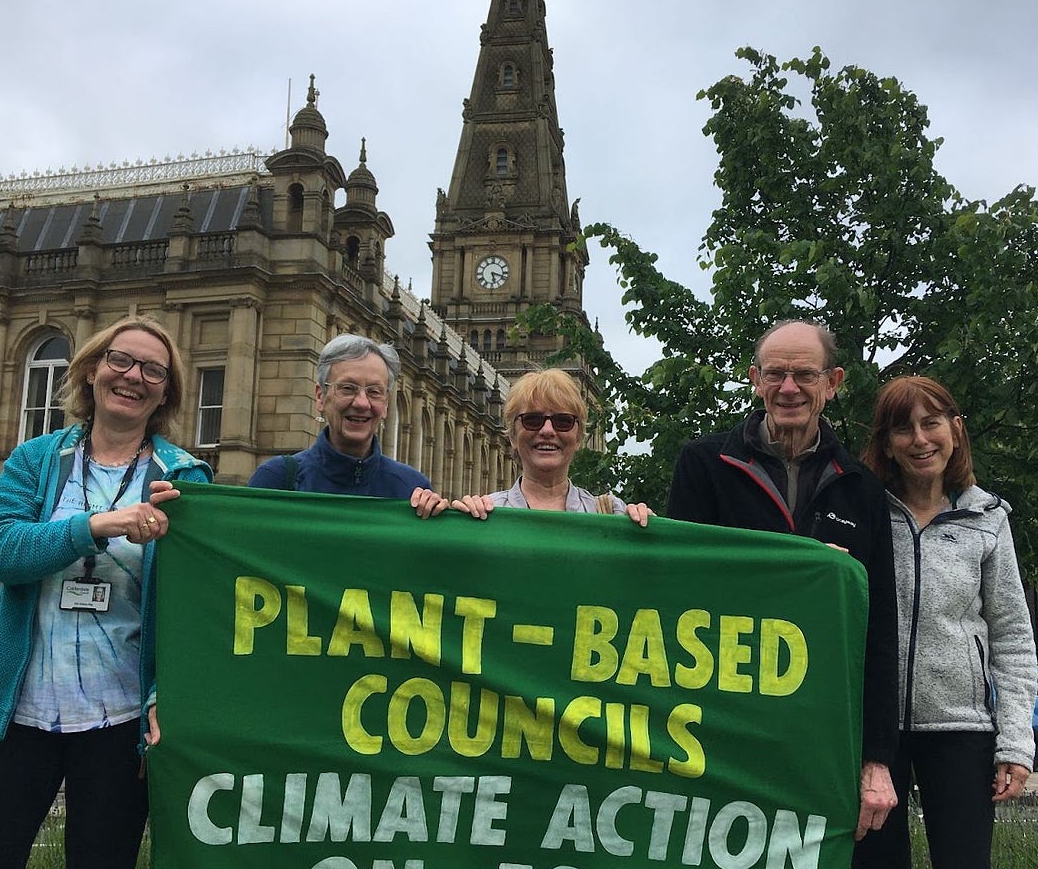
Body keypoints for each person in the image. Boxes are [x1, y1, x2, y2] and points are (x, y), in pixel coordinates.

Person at [0, 316, 211, 869]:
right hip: (13, 714)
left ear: (165, 394)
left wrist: (168, 697)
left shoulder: (184, 477)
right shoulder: (36, 460)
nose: (133, 376)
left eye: (152, 371)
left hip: (116, 723)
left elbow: (194, 610)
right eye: (120, 360)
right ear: (89, 370)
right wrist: (96, 525)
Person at [666, 320, 898, 839]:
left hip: (819, 727)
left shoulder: (862, 489)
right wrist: (800, 568)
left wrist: (876, 758)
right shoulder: (703, 465)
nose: (788, 388)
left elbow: (879, 628)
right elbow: (679, 589)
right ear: (754, 379)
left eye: (803, 374)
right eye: (775, 374)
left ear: (832, 382)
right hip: (720, 719)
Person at [851, 375, 1037, 869]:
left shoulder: (988, 519)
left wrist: (1015, 743)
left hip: (961, 730)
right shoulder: (864, 512)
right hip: (875, 735)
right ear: (887, 441)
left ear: (955, 429)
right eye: (903, 427)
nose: (919, 438)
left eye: (931, 422)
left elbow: (1011, 634)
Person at [248, 333, 446, 516]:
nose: (361, 403)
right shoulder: (276, 479)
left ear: (385, 404)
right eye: (347, 388)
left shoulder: (412, 490)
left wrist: (470, 515)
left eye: (374, 391)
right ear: (320, 397)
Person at [452, 368, 649, 524]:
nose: (547, 430)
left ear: (579, 437)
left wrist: (650, 532)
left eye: (563, 421)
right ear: (512, 435)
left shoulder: (612, 514)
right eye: (532, 420)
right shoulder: (484, 514)